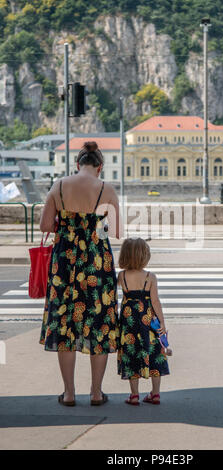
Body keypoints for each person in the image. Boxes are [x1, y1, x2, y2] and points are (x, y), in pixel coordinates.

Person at [39, 141, 121, 407]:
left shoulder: (59, 186)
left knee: (65, 324)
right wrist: (97, 224)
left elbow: (44, 225)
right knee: (99, 324)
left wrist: (68, 224)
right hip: (96, 261)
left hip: (65, 260)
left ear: (77, 164)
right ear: (100, 167)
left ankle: (69, 393)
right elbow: (117, 230)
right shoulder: (106, 188)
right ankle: (96, 392)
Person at [117, 238, 170, 405]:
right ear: (144, 256)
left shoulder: (122, 276)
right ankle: (155, 393)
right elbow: (155, 302)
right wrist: (161, 322)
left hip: (129, 321)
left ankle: (134, 395)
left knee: (131, 353)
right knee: (154, 353)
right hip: (148, 321)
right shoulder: (150, 277)